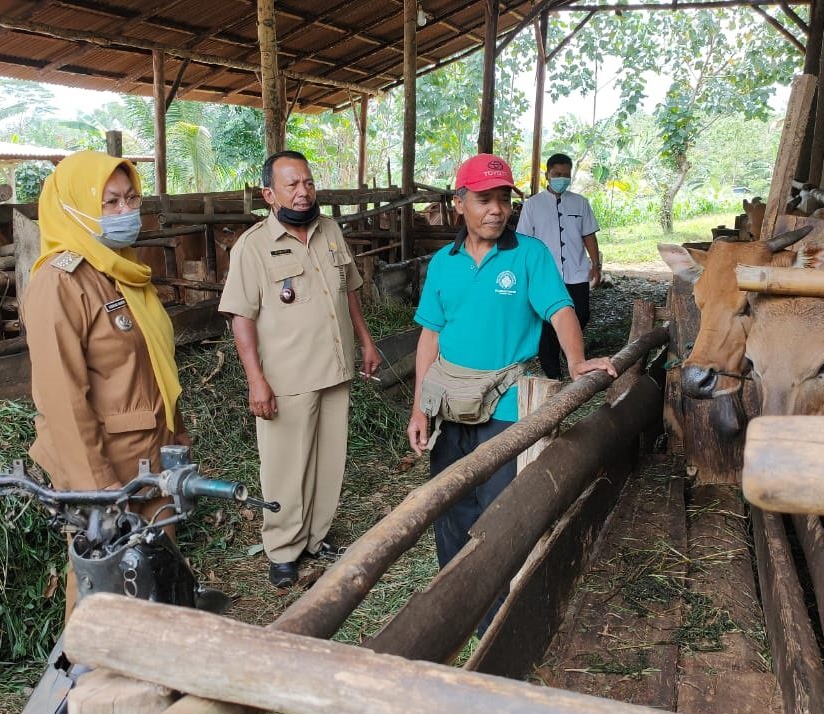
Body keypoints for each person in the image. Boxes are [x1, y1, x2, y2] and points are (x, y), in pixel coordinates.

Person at [406, 154, 615, 629]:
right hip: (448, 403)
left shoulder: (529, 255)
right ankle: (454, 602)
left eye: (503, 199)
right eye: (483, 199)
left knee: (498, 507)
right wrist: (419, 406)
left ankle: (497, 617)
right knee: (450, 501)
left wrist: (578, 361)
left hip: (504, 403)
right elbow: (429, 336)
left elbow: (561, 310)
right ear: (460, 204)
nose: (496, 209)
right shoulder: (444, 264)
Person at [23, 151, 189, 614]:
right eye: (109, 202)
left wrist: (176, 437)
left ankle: (157, 680)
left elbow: (153, 368)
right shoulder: (60, 284)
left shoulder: (123, 272)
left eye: (130, 199)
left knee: (156, 586)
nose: (125, 212)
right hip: (108, 474)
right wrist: (98, 496)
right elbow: (63, 402)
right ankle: (86, 683)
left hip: (150, 463)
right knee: (107, 593)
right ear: (75, 208)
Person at [219, 151, 381, 588]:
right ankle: (283, 549)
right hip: (287, 377)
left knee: (330, 462)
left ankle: (315, 538)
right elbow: (241, 317)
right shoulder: (253, 246)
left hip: (334, 365)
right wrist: (256, 379)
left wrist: (365, 341)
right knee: (285, 467)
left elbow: (349, 291)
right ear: (269, 194)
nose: (303, 191)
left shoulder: (330, 230)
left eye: (307, 182)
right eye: (291, 185)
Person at [516, 152, 602, 380]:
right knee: (546, 325)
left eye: (566, 175)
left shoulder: (580, 203)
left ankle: (568, 347)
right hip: (545, 276)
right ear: (547, 175)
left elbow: (589, 235)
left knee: (581, 314)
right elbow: (524, 240)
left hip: (576, 272)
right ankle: (553, 374)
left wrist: (596, 264)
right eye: (557, 175)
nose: (561, 178)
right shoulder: (533, 205)